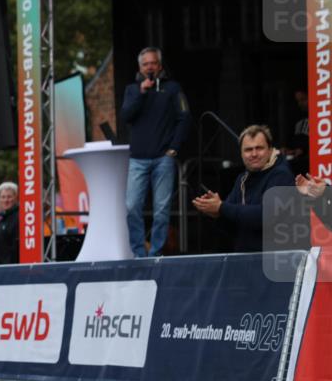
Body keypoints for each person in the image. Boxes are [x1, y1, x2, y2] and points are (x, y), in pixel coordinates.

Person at [122, 46, 191, 257]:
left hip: (163, 158)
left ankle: (156, 253)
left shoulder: (173, 89)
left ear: (160, 65)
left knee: (161, 209)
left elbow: (185, 117)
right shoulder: (132, 90)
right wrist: (142, 92)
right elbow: (126, 115)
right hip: (138, 159)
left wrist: (174, 148)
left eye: (153, 63)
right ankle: (139, 253)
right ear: (140, 67)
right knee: (132, 206)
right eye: (145, 64)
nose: (149, 67)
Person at [192, 125, 296, 252]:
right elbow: (231, 223)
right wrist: (215, 213)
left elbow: (267, 216)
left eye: (259, 148)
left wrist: (221, 207)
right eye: (248, 150)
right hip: (245, 260)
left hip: (275, 263)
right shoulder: (242, 179)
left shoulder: (282, 175)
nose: (254, 154)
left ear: (270, 150)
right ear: (241, 154)